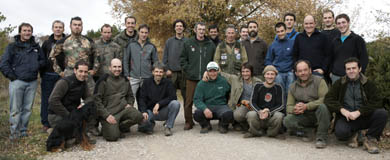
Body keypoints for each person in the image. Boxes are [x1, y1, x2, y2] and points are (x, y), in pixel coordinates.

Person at [325, 57, 388, 154]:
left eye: (354, 68)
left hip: (364, 116)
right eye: (348, 69)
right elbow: (328, 99)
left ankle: (371, 139)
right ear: (345, 70)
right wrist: (342, 110)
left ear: (360, 69)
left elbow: (377, 101)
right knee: (340, 133)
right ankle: (355, 135)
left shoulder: (368, 83)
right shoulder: (339, 83)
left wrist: (360, 112)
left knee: (382, 113)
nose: (351, 71)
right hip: (347, 118)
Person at [0, 23, 46, 140]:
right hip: (17, 81)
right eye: (24, 30)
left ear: (31, 32)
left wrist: (36, 65)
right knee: (15, 109)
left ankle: (23, 131)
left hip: (32, 82)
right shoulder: (12, 47)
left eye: (29, 31)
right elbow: (4, 63)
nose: (27, 33)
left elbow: (43, 61)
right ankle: (14, 134)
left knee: (27, 109)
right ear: (20, 32)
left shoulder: (36, 47)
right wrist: (12, 77)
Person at [283, 60, 330, 149]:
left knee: (323, 107)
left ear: (310, 70)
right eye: (300, 71)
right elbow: (288, 106)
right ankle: (308, 131)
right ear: (296, 73)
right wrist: (295, 108)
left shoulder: (320, 81)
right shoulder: (292, 87)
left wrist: (306, 106)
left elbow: (324, 99)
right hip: (304, 115)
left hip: (319, 113)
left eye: (305, 70)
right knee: (287, 120)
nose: (303, 73)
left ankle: (321, 138)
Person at [94, 58, 143, 141]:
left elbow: (130, 95)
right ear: (110, 68)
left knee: (138, 116)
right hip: (109, 113)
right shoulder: (103, 81)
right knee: (113, 137)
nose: (117, 69)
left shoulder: (125, 80)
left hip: (123, 110)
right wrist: (106, 116)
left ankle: (119, 127)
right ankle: (108, 129)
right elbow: (97, 100)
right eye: (115, 67)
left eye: (119, 67)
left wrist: (130, 104)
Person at [203, 63, 262, 131]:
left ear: (251, 72)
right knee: (237, 115)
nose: (245, 74)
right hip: (242, 105)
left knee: (253, 115)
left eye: (247, 71)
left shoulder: (258, 82)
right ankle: (242, 124)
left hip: (254, 105)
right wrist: (206, 72)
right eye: (243, 71)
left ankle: (255, 126)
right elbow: (222, 74)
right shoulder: (235, 79)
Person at [48, 60, 95, 144]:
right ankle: (53, 129)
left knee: (92, 108)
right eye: (80, 71)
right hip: (57, 115)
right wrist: (68, 115)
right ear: (75, 70)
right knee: (68, 142)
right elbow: (53, 100)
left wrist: (83, 104)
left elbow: (89, 98)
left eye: (85, 72)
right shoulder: (64, 82)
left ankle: (83, 133)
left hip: (72, 114)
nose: (83, 74)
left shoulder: (83, 83)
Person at [180, 22, 216, 130]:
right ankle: (188, 121)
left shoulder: (210, 44)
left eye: (203, 29)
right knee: (189, 101)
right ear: (195, 30)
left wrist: (210, 73)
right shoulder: (188, 43)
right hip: (191, 77)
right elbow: (182, 59)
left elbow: (214, 61)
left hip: (206, 78)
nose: (201, 31)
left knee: (207, 101)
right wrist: (189, 71)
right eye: (199, 29)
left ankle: (206, 122)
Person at [49, 16, 98, 95]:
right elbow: (52, 57)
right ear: (70, 26)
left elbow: (97, 55)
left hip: (86, 74)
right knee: (69, 97)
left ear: (82, 26)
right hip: (69, 73)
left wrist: (94, 69)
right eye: (75, 25)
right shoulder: (63, 41)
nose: (77, 27)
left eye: (79, 25)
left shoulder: (88, 41)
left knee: (91, 97)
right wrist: (60, 72)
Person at [137, 62, 181, 136]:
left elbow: (173, 97)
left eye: (161, 72)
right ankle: (150, 124)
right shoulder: (146, 82)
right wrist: (143, 111)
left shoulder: (168, 82)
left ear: (163, 73)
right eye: (156, 71)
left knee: (175, 104)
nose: (158, 74)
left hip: (163, 111)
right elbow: (142, 98)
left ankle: (168, 126)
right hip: (150, 111)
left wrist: (159, 104)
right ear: (153, 72)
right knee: (143, 125)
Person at [244, 65, 285, 139]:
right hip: (259, 116)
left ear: (275, 75)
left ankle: (272, 133)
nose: (270, 76)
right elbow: (252, 102)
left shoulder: (278, 87)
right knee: (250, 114)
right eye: (268, 74)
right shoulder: (258, 86)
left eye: (272, 74)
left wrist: (268, 111)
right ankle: (256, 132)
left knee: (279, 116)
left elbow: (281, 105)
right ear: (264, 75)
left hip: (271, 116)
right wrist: (260, 111)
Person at [40, 20, 65, 132]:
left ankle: (61, 121)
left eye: (60, 27)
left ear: (63, 29)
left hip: (63, 75)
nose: (58, 29)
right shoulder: (47, 43)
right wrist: (42, 73)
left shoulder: (67, 41)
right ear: (52, 29)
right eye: (56, 27)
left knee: (61, 99)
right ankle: (46, 123)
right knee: (46, 99)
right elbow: (42, 59)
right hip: (48, 75)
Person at [193, 62, 233, 134]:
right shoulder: (201, 84)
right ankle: (206, 125)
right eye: (210, 71)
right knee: (197, 114)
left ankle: (223, 125)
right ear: (207, 72)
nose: (213, 73)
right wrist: (204, 108)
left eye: (214, 71)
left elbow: (230, 91)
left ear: (218, 71)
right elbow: (197, 99)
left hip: (221, 106)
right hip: (207, 106)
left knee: (229, 114)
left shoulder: (223, 81)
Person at [329, 14, 368, 84]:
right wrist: (330, 73)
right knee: (336, 95)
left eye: (343, 22)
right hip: (336, 77)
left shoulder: (358, 39)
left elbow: (364, 58)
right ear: (336, 25)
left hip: (352, 76)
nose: (341, 25)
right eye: (339, 23)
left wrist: (360, 74)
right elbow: (331, 58)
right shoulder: (335, 41)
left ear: (348, 23)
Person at [123, 24, 159, 98]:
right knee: (130, 98)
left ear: (148, 33)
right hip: (133, 77)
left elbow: (155, 63)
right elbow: (126, 60)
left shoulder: (151, 46)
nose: (144, 34)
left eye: (146, 33)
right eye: (142, 32)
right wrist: (127, 74)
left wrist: (153, 75)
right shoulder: (131, 45)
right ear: (138, 32)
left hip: (147, 78)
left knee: (146, 99)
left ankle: (144, 110)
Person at [265, 22, 295, 103]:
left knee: (290, 93)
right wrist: (273, 71)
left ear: (285, 31)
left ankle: (289, 111)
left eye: (282, 31)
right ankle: (281, 111)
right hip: (278, 73)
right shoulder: (273, 45)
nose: (280, 33)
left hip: (290, 72)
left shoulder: (292, 43)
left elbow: (296, 57)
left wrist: (294, 68)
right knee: (280, 93)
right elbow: (268, 60)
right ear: (276, 32)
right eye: (278, 32)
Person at [163, 19, 188, 101]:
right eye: (177, 26)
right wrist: (166, 69)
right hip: (171, 73)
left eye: (181, 26)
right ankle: (171, 114)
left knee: (187, 98)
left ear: (183, 28)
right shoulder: (169, 41)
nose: (179, 27)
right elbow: (165, 57)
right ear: (174, 28)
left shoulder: (188, 41)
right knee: (171, 97)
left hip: (184, 73)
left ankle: (187, 114)